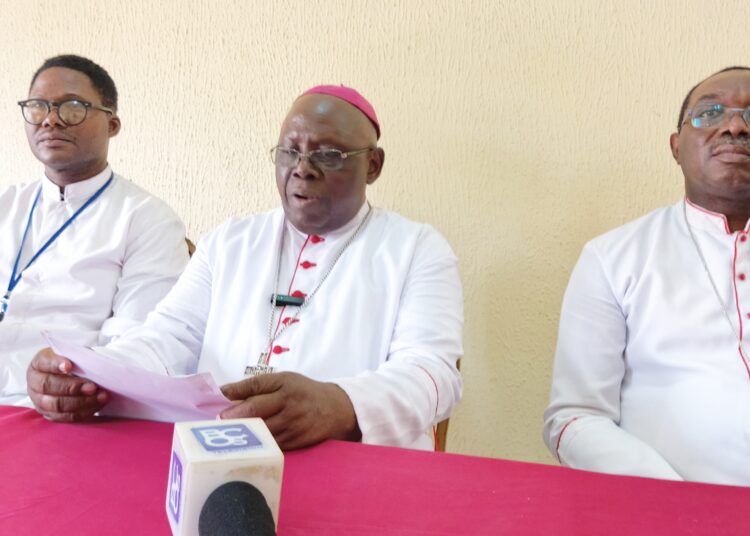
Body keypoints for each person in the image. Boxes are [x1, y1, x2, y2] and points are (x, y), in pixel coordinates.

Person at [27, 85, 464, 451]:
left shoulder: (417, 248)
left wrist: (341, 404)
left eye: (328, 155)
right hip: (218, 455)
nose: (302, 169)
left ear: (373, 165)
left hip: (357, 465)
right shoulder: (230, 240)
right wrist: (88, 373)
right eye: (289, 151)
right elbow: (167, 338)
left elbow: (432, 372)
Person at [544, 67, 750, 486]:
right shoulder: (612, 256)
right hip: (663, 512)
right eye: (710, 113)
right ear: (677, 147)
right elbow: (576, 417)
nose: (734, 126)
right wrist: (668, 501)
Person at [0, 54, 189, 406]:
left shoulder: (147, 219)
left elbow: (138, 345)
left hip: (59, 409)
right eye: (38, 107)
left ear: (112, 125)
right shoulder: (6, 204)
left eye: (72, 107)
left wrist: (65, 390)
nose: (50, 120)